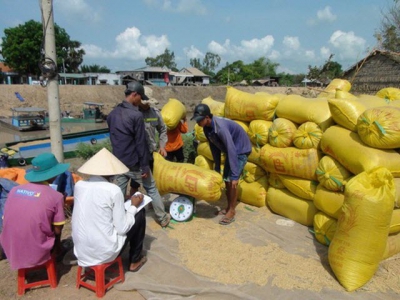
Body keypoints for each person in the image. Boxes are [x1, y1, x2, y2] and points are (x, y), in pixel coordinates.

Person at [72, 148, 147, 271]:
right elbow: (122, 229)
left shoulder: (79, 186)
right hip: (104, 252)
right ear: (112, 173)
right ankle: (135, 260)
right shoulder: (113, 190)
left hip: (81, 251)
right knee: (139, 212)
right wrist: (133, 206)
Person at [107, 81, 170, 228]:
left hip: (119, 162)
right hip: (135, 163)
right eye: (140, 97)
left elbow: (115, 139)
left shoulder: (112, 114)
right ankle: (162, 217)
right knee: (152, 188)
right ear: (134, 95)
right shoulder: (136, 115)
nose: (140, 100)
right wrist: (144, 166)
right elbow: (140, 143)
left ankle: (117, 220)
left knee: (118, 192)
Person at [0, 153, 69, 269]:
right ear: (54, 173)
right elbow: (57, 230)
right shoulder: (56, 196)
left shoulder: (14, 190)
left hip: (11, 249)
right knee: (56, 226)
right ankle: (57, 251)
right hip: (37, 252)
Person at [191, 104, 251, 225]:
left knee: (232, 181)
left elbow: (231, 149)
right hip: (231, 150)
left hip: (240, 150)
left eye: (200, 120)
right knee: (226, 180)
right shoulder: (207, 128)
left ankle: (232, 211)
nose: (198, 123)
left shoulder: (221, 128)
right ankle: (229, 207)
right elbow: (214, 147)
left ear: (207, 117)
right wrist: (217, 167)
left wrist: (235, 175)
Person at [129, 97, 167, 195]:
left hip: (151, 153)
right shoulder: (133, 113)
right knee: (135, 183)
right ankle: (133, 205)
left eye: (148, 103)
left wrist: (162, 146)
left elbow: (162, 129)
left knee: (151, 181)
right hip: (137, 154)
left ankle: (151, 205)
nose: (146, 105)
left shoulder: (155, 113)